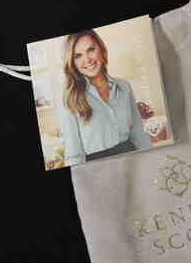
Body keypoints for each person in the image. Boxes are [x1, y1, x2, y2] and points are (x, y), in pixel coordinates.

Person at [60, 29, 152, 166]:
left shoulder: (124, 87)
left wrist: (151, 161)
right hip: (98, 168)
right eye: (77, 56)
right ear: (72, 62)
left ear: (101, 49)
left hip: (134, 160)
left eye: (91, 50)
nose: (87, 59)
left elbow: (138, 134)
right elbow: (74, 154)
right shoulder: (70, 99)